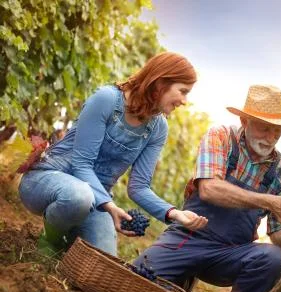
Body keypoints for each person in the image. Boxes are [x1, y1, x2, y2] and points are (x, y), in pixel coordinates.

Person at [134, 85, 281, 292]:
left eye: (277, 130)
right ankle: (180, 277)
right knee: (137, 278)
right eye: (265, 128)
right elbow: (210, 190)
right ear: (245, 120)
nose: (271, 138)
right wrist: (270, 201)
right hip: (188, 239)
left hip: (231, 254)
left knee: (274, 258)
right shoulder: (221, 137)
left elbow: (278, 235)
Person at [18, 52, 208, 257]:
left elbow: (139, 187)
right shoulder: (106, 99)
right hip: (47, 179)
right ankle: (49, 243)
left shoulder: (158, 128)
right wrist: (109, 206)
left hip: (95, 200)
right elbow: (81, 163)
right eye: (183, 91)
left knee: (104, 258)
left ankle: (68, 236)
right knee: (79, 197)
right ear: (161, 82)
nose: (185, 101)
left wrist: (174, 213)